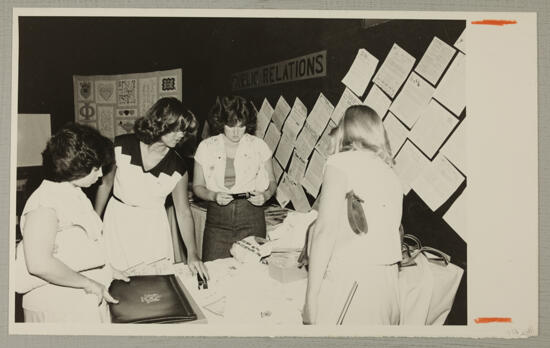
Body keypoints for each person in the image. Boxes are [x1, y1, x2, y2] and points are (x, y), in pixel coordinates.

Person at [303, 105, 403, 325]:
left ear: (345, 130)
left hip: (353, 277)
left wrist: (311, 297)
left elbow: (325, 231)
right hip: (388, 284)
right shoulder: (391, 174)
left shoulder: (341, 162)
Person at [18, 123, 129, 323]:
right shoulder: (45, 202)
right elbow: (39, 264)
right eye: (96, 169)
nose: (101, 175)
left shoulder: (74, 193)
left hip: (80, 300)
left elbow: (82, 246)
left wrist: (108, 269)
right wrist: (88, 283)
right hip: (56, 305)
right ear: (77, 168)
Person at [95, 97, 208, 280]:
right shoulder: (121, 146)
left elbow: (183, 212)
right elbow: (105, 184)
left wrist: (193, 253)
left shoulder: (178, 167)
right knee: (113, 279)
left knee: (153, 285)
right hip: (117, 221)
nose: (180, 135)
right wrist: (94, 221)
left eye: (184, 131)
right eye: (176, 129)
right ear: (160, 123)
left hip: (152, 229)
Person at [193, 96, 277, 262]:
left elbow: (273, 182)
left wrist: (266, 196)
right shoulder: (206, 147)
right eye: (231, 126)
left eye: (241, 126)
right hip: (217, 220)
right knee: (214, 272)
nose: (236, 132)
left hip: (252, 216)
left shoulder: (258, 146)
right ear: (220, 122)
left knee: (252, 274)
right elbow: (197, 186)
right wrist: (213, 196)